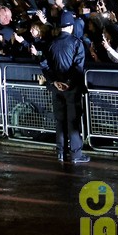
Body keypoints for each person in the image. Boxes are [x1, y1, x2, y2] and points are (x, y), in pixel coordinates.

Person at [40, 11, 90, 164]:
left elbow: (44, 64)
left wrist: (54, 81)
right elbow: (78, 67)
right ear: (71, 26)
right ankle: (76, 154)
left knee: (60, 120)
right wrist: (68, 82)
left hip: (56, 88)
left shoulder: (51, 43)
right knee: (73, 121)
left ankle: (61, 152)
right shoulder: (76, 43)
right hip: (72, 88)